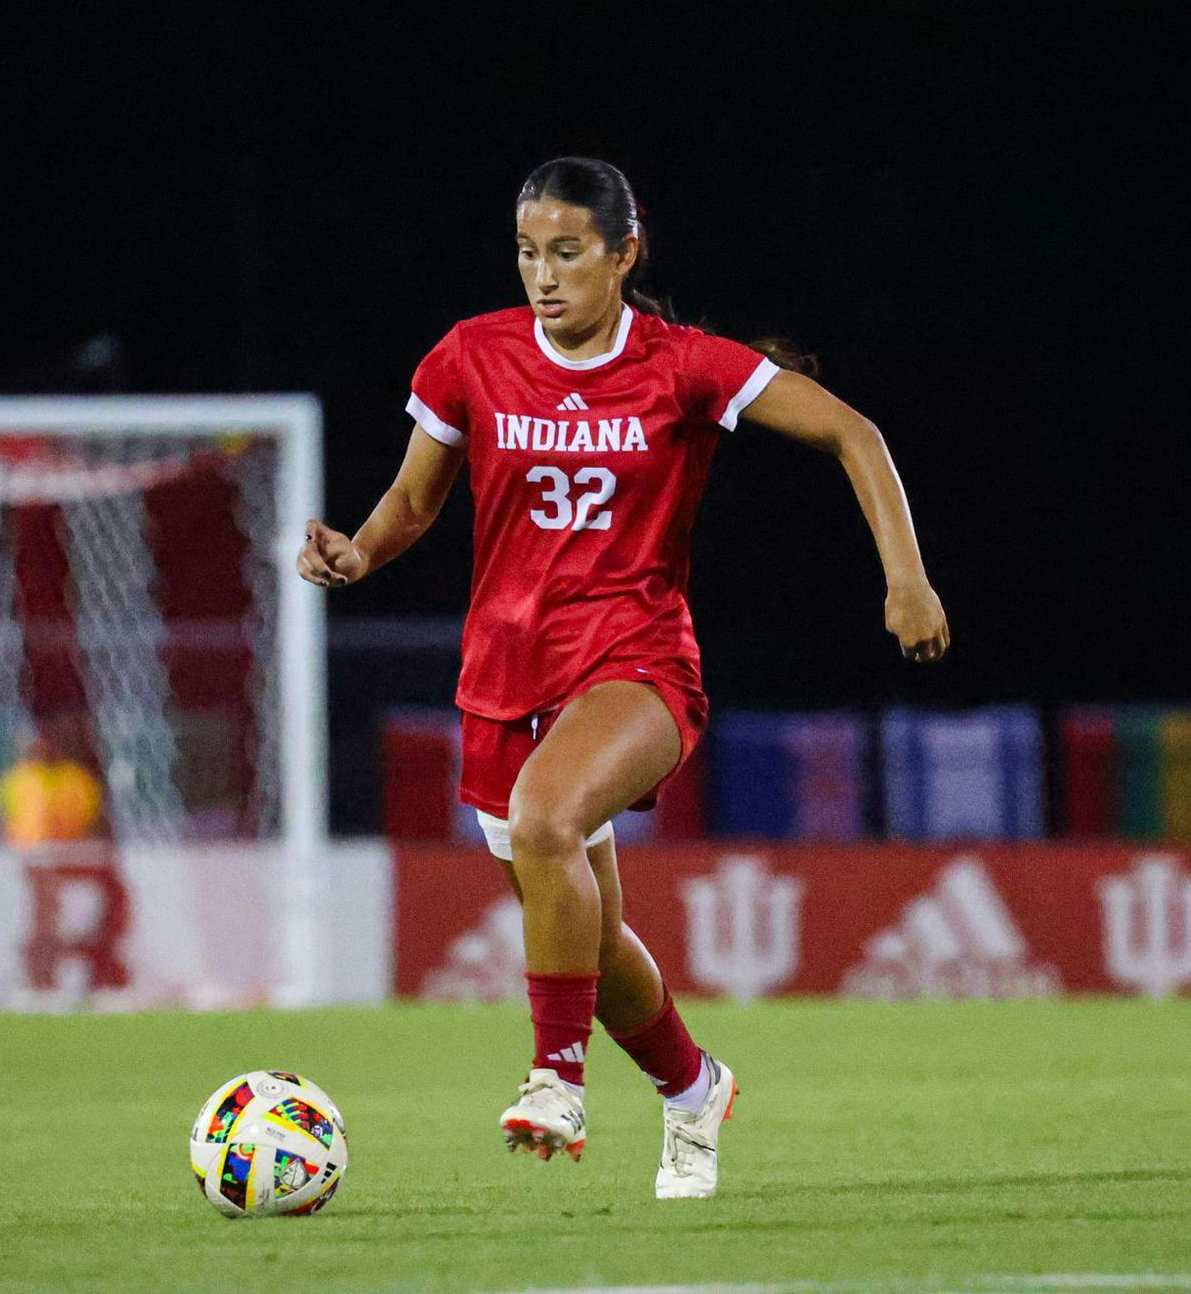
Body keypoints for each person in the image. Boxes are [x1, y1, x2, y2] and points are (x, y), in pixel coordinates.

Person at [298, 157, 949, 1199]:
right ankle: (694, 1089)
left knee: (545, 819)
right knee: (590, 946)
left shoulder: (682, 365)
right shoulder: (472, 356)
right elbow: (415, 502)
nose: (542, 276)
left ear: (622, 253)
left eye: (565, 253)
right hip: (503, 675)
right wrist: (359, 554)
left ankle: (555, 1079)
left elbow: (851, 433)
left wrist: (905, 580)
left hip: (636, 661)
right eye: (525, 253)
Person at [0, 730, 104, 848]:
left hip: (68, 851)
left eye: (46, 743)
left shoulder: (77, 778)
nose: (43, 747)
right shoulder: (14, 779)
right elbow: (1, 818)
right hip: (26, 851)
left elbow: (93, 821)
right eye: (38, 744)